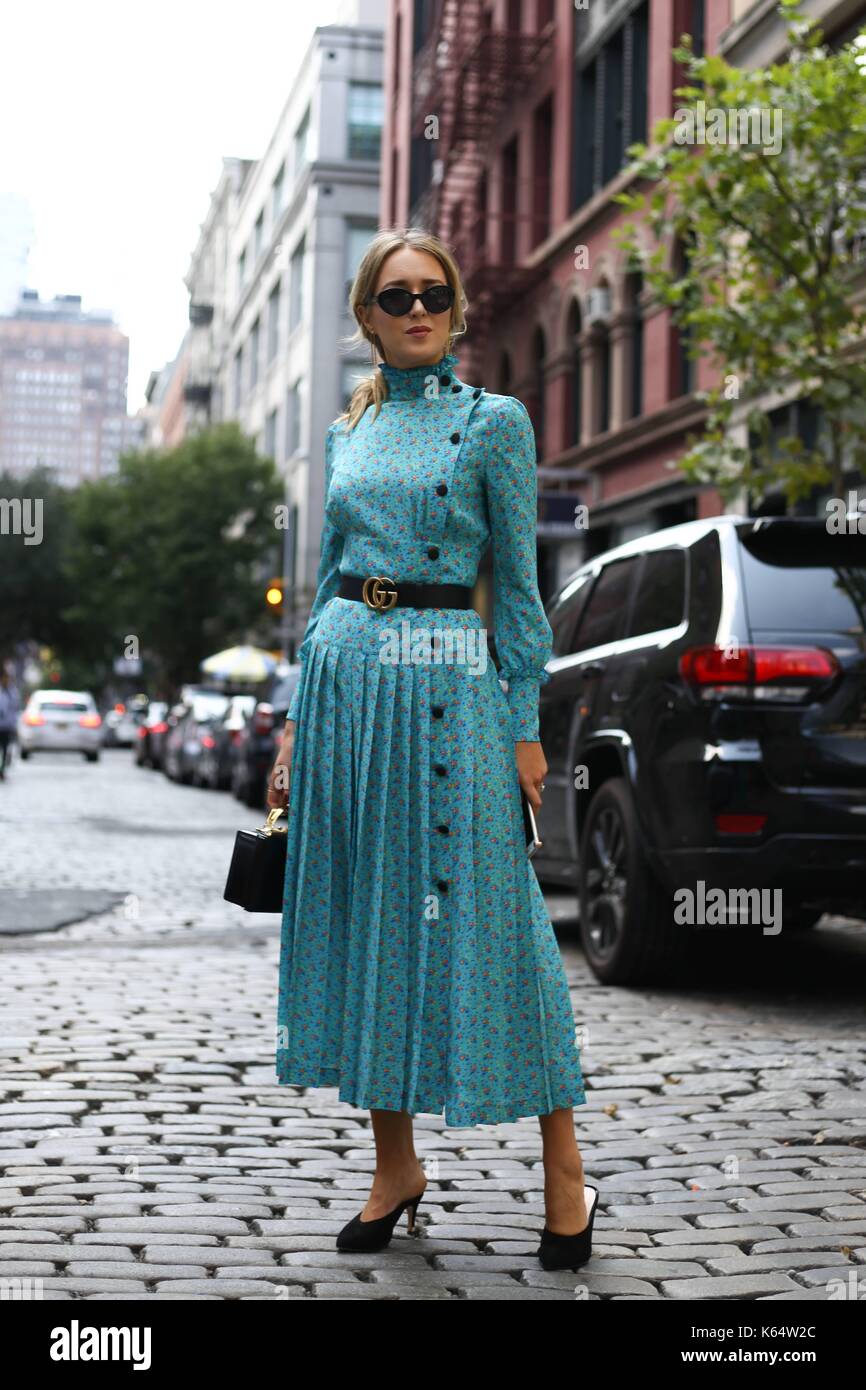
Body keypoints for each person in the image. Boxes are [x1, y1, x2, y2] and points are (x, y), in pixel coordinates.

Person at [267, 227, 595, 1271]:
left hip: (448, 686)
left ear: (455, 311)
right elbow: (324, 579)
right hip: (345, 686)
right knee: (372, 917)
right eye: (397, 296)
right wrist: (292, 721)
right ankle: (393, 1166)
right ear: (365, 316)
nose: (418, 310)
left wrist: (524, 721)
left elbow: (522, 591)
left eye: (436, 295)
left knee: (498, 926)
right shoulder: (344, 432)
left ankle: (563, 1174)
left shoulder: (493, 423)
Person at [0, 669, 20, 779]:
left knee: (5, 749)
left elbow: (15, 708)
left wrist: (14, 724)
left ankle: (2, 769)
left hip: (7, 726)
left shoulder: (13, 692)